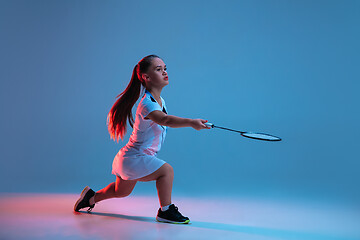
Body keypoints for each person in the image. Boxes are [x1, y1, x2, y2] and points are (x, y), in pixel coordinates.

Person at [74, 54, 210, 224]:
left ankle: (90, 198)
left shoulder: (160, 101)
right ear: (146, 77)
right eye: (158, 69)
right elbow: (165, 120)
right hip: (135, 157)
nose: (165, 72)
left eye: (165, 68)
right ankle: (165, 211)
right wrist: (191, 122)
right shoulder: (147, 103)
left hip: (132, 157)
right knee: (166, 171)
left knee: (120, 191)